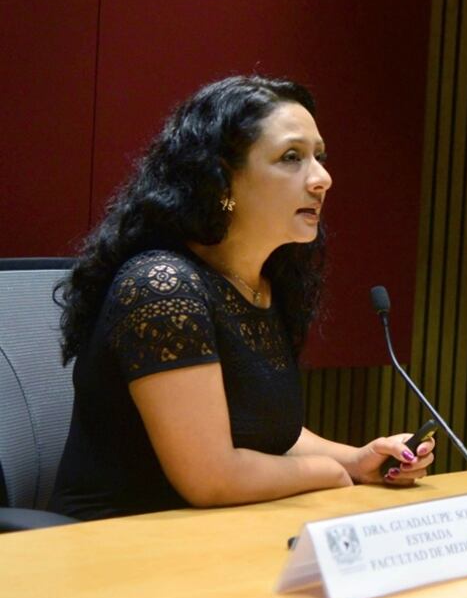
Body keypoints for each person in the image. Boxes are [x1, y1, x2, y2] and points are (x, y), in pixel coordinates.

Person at [50, 75, 434, 520]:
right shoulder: (163, 286)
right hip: (114, 547)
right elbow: (211, 477)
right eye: (292, 158)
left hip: (214, 533)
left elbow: (262, 430)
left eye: (319, 157)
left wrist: (357, 459)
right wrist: (327, 472)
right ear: (221, 181)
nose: (322, 178)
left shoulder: (264, 284)